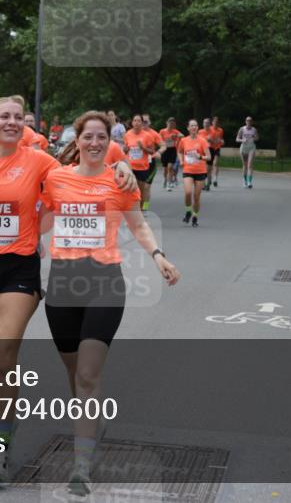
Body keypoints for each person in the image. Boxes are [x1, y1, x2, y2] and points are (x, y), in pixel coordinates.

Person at [0, 95, 136, 482]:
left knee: (3, 349)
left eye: (18, 117)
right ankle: (5, 431)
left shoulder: (40, 161)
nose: (12, 122)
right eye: (4, 117)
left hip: (19, 267)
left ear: (24, 125)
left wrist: (122, 162)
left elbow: (88, 163)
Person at [41, 111, 180, 494]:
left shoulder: (120, 181)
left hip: (104, 283)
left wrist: (158, 256)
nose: (95, 143)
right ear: (78, 140)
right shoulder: (55, 178)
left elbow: (138, 224)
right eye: (89, 137)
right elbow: (38, 222)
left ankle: (81, 465)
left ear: (110, 141)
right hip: (63, 284)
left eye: (102, 137)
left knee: (87, 374)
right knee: (75, 375)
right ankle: (89, 424)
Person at [123, 114, 162, 212]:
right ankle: (132, 210)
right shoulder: (127, 134)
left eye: (138, 121)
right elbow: (125, 149)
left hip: (142, 167)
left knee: (140, 190)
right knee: (131, 189)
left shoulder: (147, 135)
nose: (136, 123)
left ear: (141, 123)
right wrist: (125, 149)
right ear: (132, 123)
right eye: (134, 121)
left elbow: (152, 151)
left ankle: (141, 210)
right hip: (130, 167)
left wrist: (143, 148)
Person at [178, 120, 210, 227]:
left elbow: (209, 157)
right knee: (188, 193)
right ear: (188, 128)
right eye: (192, 125)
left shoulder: (202, 141)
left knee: (196, 196)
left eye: (195, 125)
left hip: (200, 171)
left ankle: (195, 216)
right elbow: (179, 151)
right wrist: (181, 160)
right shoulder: (183, 140)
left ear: (197, 128)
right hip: (188, 170)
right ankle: (188, 211)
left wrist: (200, 157)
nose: (194, 127)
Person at [158, 118, 182, 191]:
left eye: (172, 123)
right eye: (170, 123)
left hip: (172, 150)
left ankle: (169, 183)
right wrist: (168, 139)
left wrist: (177, 136)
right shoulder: (162, 131)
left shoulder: (175, 131)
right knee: (165, 169)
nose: (171, 125)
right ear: (167, 123)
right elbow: (159, 140)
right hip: (165, 150)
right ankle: (165, 180)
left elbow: (182, 135)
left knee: (170, 167)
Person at [235, 116, 259, 188]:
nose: (249, 122)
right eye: (247, 121)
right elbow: (237, 139)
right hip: (244, 148)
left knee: (250, 165)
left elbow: (257, 138)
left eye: (250, 121)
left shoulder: (254, 129)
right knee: (245, 165)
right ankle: (244, 181)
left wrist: (253, 138)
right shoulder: (242, 129)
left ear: (252, 122)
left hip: (251, 147)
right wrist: (242, 140)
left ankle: (249, 182)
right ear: (245, 122)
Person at [208, 116, 224, 187]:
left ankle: (215, 179)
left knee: (216, 163)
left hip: (217, 148)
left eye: (217, 122)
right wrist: (211, 140)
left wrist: (222, 141)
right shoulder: (209, 129)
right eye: (215, 122)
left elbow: (221, 139)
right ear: (212, 122)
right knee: (210, 165)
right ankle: (210, 178)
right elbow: (207, 138)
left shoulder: (220, 130)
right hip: (210, 148)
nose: (216, 123)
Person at [199, 118, 212, 190]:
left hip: (210, 150)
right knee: (203, 168)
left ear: (210, 124)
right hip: (202, 151)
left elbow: (217, 141)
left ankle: (208, 183)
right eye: (204, 123)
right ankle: (204, 185)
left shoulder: (212, 131)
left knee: (208, 169)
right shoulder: (200, 132)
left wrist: (211, 140)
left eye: (207, 123)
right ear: (203, 124)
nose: (206, 124)